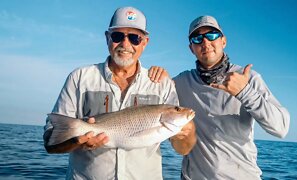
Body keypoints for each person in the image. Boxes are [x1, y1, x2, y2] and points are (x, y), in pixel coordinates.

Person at [43, 6, 196, 180]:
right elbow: (50, 143)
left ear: (145, 42)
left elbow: (182, 149)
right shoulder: (80, 77)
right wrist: (77, 141)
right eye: (117, 36)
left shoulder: (162, 84)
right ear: (107, 38)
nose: (125, 44)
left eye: (134, 38)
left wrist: (187, 134)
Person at [149, 15, 290, 179]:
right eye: (197, 38)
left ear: (223, 41)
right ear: (191, 48)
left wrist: (245, 92)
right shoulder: (181, 82)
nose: (205, 42)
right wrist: (160, 76)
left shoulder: (249, 79)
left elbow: (281, 128)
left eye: (212, 35)